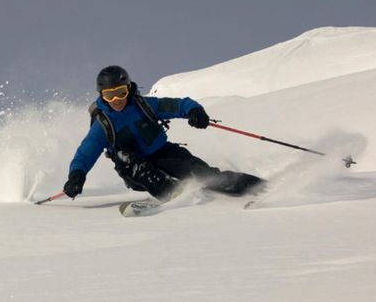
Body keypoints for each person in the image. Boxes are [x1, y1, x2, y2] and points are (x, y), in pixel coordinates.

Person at [63, 65, 263, 201]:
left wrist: (195, 111)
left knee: (200, 172)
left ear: (128, 89)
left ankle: (257, 187)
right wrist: (76, 176)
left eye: (121, 92)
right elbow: (85, 154)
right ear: (102, 96)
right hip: (133, 169)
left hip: (162, 153)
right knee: (132, 161)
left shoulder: (144, 105)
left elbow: (178, 104)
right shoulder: (102, 125)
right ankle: (171, 193)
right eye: (109, 95)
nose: (116, 100)